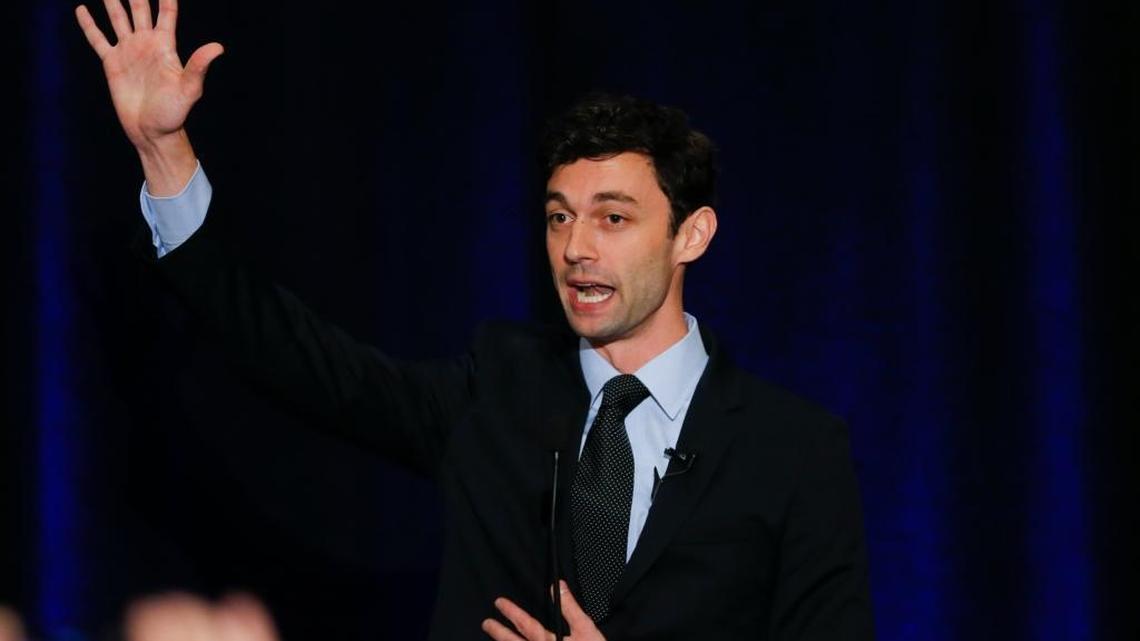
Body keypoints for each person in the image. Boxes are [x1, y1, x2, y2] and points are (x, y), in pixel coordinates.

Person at [76, 1, 874, 639]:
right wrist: (163, 153)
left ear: (691, 234)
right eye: (560, 217)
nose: (577, 248)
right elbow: (293, 355)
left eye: (614, 218)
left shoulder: (793, 451)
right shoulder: (497, 387)